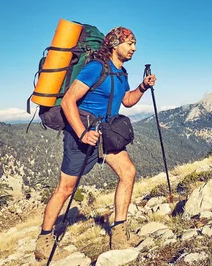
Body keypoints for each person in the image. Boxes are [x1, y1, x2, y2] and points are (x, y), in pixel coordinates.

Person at [34, 27, 156, 260]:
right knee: (66, 189)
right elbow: (69, 100)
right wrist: (81, 133)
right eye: (130, 42)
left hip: (107, 133)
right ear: (114, 44)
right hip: (83, 134)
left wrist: (142, 87)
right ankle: (45, 238)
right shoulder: (95, 68)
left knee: (128, 172)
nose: (134, 47)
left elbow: (127, 101)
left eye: (135, 43)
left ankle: (119, 234)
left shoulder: (121, 73)